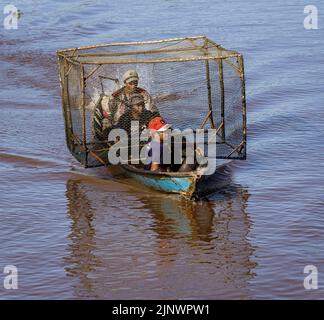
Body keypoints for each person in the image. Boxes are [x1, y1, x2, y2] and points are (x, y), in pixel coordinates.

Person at [93, 69, 159, 140]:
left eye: (135, 83)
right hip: (120, 123)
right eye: (130, 83)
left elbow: (152, 110)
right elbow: (108, 113)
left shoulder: (144, 94)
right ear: (125, 83)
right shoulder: (116, 96)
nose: (133, 86)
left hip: (139, 122)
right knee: (106, 123)